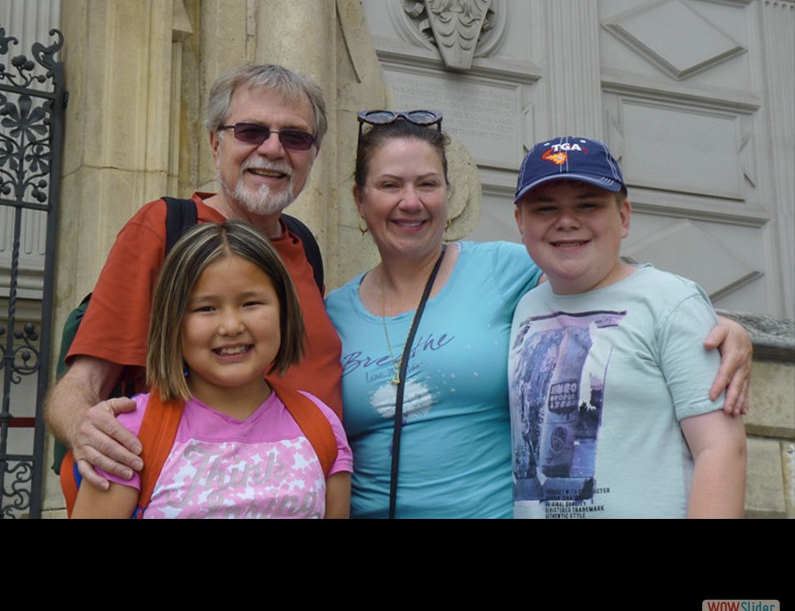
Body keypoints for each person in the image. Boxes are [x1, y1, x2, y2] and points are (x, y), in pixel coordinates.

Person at [324, 111, 753, 519]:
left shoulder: (506, 270)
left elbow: (608, 283)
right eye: (390, 185)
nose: (410, 201)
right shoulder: (333, 313)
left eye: (428, 183)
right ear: (360, 199)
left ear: (448, 194)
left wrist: (714, 326)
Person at [46, 64, 343, 491]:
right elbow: (81, 384)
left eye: (295, 137)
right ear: (215, 143)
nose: (273, 149)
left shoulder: (304, 246)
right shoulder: (164, 229)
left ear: (313, 154)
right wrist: (85, 430)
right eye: (251, 131)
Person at [509, 136, 745, 518]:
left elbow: (720, 449)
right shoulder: (525, 306)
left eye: (588, 205)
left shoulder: (670, 301)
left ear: (623, 217)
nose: (566, 221)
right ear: (521, 222)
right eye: (545, 208)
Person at [72, 221, 352, 519]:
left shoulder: (322, 427)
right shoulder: (131, 434)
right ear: (173, 322)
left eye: (251, 303)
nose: (231, 326)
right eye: (206, 308)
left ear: (285, 312)